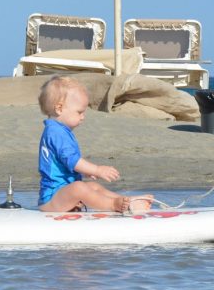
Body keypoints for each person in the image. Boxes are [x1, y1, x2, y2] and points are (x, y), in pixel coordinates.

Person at [37, 76, 153, 213]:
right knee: (79, 188)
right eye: (79, 112)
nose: (83, 117)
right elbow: (72, 161)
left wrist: (85, 171)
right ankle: (115, 205)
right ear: (59, 109)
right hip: (52, 199)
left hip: (63, 194)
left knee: (93, 187)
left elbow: (64, 163)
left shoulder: (57, 130)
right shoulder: (56, 132)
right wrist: (96, 170)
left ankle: (125, 200)